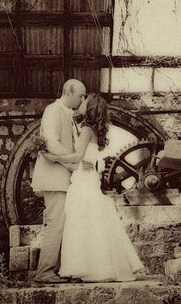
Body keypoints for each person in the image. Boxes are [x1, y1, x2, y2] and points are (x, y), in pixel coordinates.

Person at [39, 94, 145, 282]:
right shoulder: (94, 131)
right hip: (88, 177)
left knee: (79, 222)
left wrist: (53, 157)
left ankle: (84, 268)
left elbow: (77, 156)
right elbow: (86, 158)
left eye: (85, 100)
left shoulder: (87, 129)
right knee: (90, 222)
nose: (82, 102)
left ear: (90, 108)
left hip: (82, 180)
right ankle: (94, 266)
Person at [30, 79, 87, 283]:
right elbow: (51, 142)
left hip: (62, 179)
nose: (83, 99)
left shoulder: (68, 114)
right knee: (55, 223)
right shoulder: (53, 111)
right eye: (80, 95)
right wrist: (74, 164)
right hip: (54, 178)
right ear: (67, 92)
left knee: (62, 224)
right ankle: (44, 271)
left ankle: (59, 269)